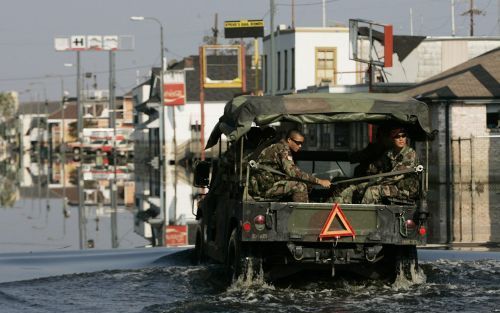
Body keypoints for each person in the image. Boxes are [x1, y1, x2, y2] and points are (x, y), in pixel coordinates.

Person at [333, 127, 419, 204]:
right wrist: (366, 179)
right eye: (397, 136)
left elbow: (394, 177)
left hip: (405, 191)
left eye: (403, 136)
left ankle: (364, 218)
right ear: (392, 139)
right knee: (355, 188)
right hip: (390, 186)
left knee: (372, 191)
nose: (401, 139)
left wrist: (374, 182)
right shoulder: (389, 153)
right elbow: (375, 168)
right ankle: (339, 210)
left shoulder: (410, 154)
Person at [250, 129, 331, 202]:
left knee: (306, 184)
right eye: (298, 143)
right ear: (289, 140)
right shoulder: (282, 149)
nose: (300, 146)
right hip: (265, 188)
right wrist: (319, 181)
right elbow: (293, 172)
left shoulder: (279, 147)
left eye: (301, 143)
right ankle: (301, 216)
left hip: (266, 184)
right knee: (300, 186)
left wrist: (309, 182)